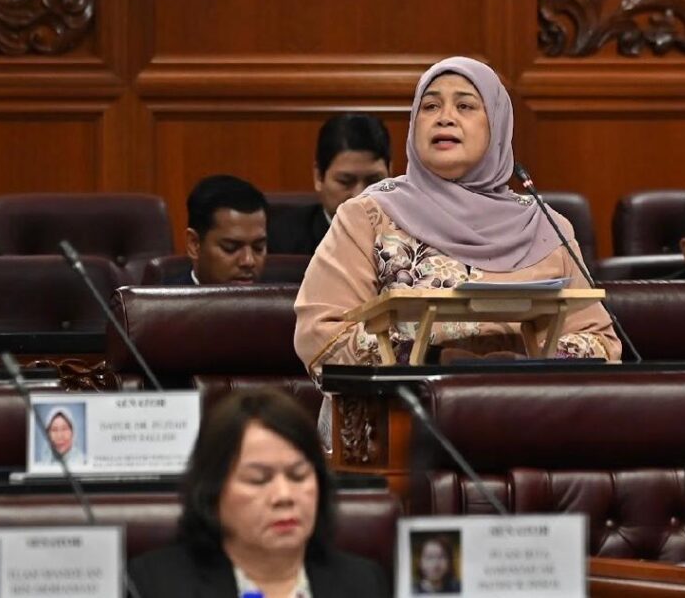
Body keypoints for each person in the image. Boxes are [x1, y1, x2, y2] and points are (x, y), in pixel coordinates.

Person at [294, 57, 621, 438]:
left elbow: (602, 346)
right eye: (430, 106)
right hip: (398, 428)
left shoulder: (547, 227)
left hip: (528, 424)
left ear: (497, 124)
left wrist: (519, 362)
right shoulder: (367, 216)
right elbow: (323, 336)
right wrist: (434, 361)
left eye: (465, 105)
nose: (445, 118)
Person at [128, 387, 389, 598]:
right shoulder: (154, 585)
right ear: (212, 490)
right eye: (258, 480)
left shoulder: (364, 583)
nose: (284, 496)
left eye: (298, 476)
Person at [268, 113, 392, 255]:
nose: (360, 196)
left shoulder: (410, 231)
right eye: (346, 182)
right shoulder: (282, 240)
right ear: (319, 177)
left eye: (374, 181)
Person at [164, 175, 269, 285]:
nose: (249, 261)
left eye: (258, 248)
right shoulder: (165, 296)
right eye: (230, 248)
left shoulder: (277, 294)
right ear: (194, 244)